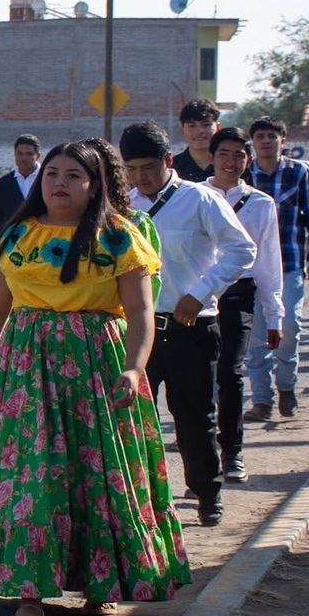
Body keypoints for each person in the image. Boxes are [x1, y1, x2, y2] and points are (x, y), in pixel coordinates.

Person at [0, 140, 190, 616]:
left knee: (98, 474)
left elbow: (142, 312)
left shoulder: (119, 237)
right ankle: (29, 597)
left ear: (95, 184)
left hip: (97, 367)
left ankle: (100, 584)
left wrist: (134, 368)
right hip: (27, 369)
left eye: (72, 176)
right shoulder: (18, 234)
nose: (59, 183)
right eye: (51, 174)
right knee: (31, 475)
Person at [121, 121, 255, 526]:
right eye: (132, 169)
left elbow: (242, 250)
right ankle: (141, 500)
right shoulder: (123, 207)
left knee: (194, 417)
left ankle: (207, 493)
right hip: (139, 330)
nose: (141, 177)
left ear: (168, 160)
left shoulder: (201, 199)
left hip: (191, 327)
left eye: (148, 167)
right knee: (134, 418)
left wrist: (201, 293)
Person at [205, 127, 284, 484]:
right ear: (211, 157)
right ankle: (203, 449)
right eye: (224, 154)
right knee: (199, 375)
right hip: (199, 295)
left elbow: (268, 261)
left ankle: (232, 451)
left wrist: (275, 314)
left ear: (248, 161)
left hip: (239, 294)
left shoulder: (260, 204)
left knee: (231, 372)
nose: (231, 161)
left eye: (239, 155)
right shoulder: (194, 196)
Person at [244, 116, 309, 421]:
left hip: (289, 264)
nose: (266, 141)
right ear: (253, 142)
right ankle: (261, 400)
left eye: (272, 136)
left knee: (289, 327)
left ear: (283, 140)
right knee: (256, 336)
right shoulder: (245, 174)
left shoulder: (298, 172)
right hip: (250, 269)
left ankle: (287, 387)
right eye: (260, 136)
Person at [0, 134, 42, 245]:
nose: (23, 158)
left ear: (37, 155)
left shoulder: (48, 179)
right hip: (12, 242)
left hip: (42, 240)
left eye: (29, 154)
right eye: (20, 153)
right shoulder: (4, 183)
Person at [172, 99, 221, 181]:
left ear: (218, 128)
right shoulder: (172, 167)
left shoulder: (229, 165)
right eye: (192, 126)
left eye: (206, 125)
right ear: (182, 130)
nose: (199, 131)